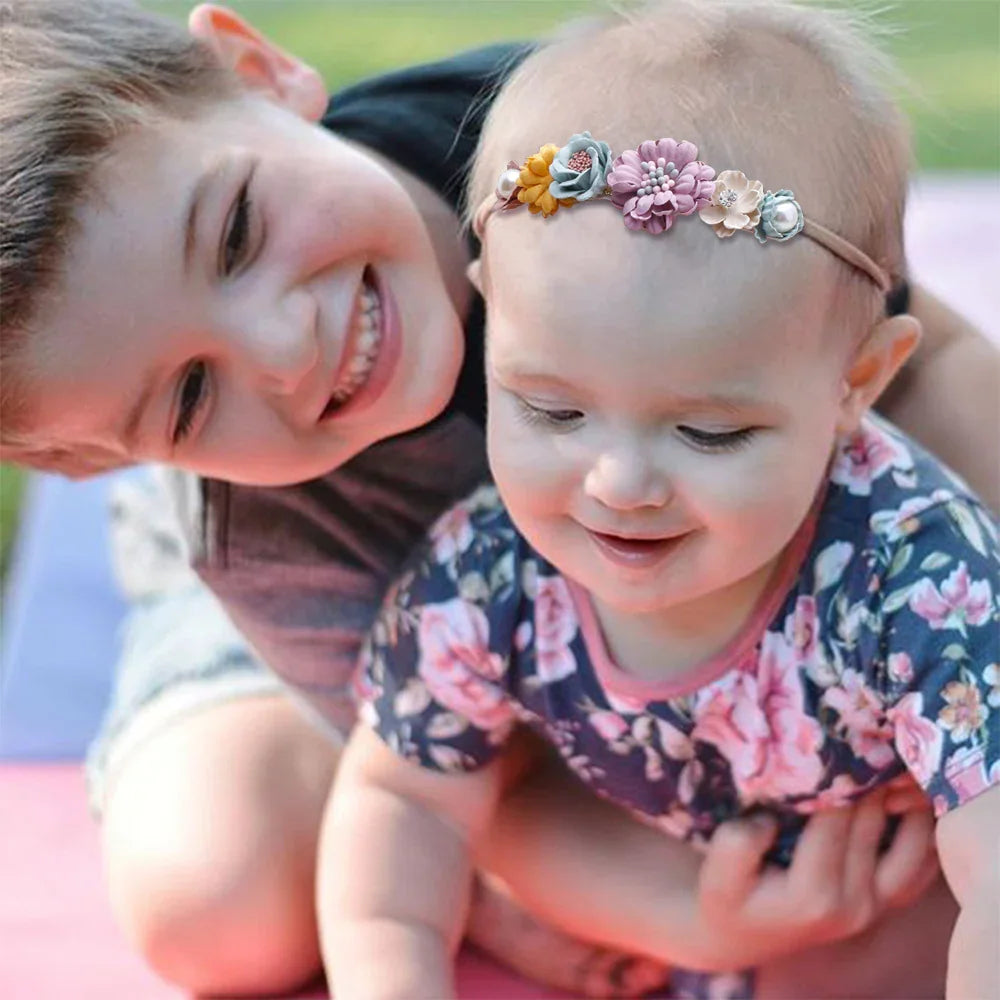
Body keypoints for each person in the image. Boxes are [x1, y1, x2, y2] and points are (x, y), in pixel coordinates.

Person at [0, 0, 993, 995]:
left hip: (631, 594)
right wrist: (682, 912)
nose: (282, 348)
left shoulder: (600, 145)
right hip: (371, 599)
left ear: (258, 72)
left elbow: (916, 347)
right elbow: (451, 767)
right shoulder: (262, 534)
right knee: (216, 897)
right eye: (189, 393)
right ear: (98, 456)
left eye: (235, 235)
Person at [323, 2, 1000, 998]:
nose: (618, 484)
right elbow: (405, 806)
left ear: (854, 381)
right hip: (699, 936)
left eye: (709, 431)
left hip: (914, 915)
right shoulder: (487, 575)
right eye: (549, 410)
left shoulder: (915, 566)